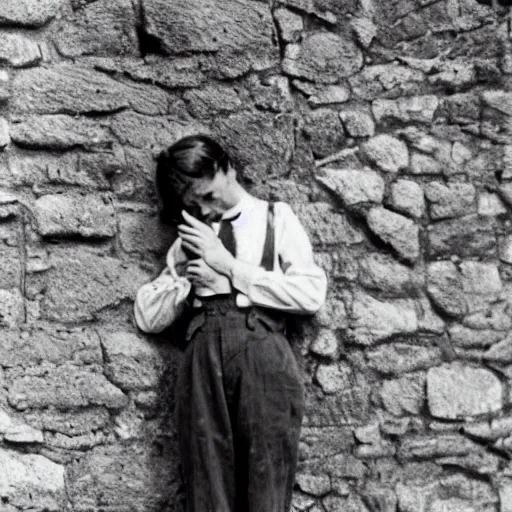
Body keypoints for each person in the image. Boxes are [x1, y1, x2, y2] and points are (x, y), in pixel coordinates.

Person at [133, 134, 327, 512]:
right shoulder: (191, 237)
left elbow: (310, 293)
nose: (207, 209)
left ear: (227, 168)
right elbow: (147, 316)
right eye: (195, 204)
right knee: (207, 486)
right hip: (203, 358)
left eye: (208, 195)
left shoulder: (276, 217)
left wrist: (229, 268)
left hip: (263, 354)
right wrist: (188, 286)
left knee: (267, 482)